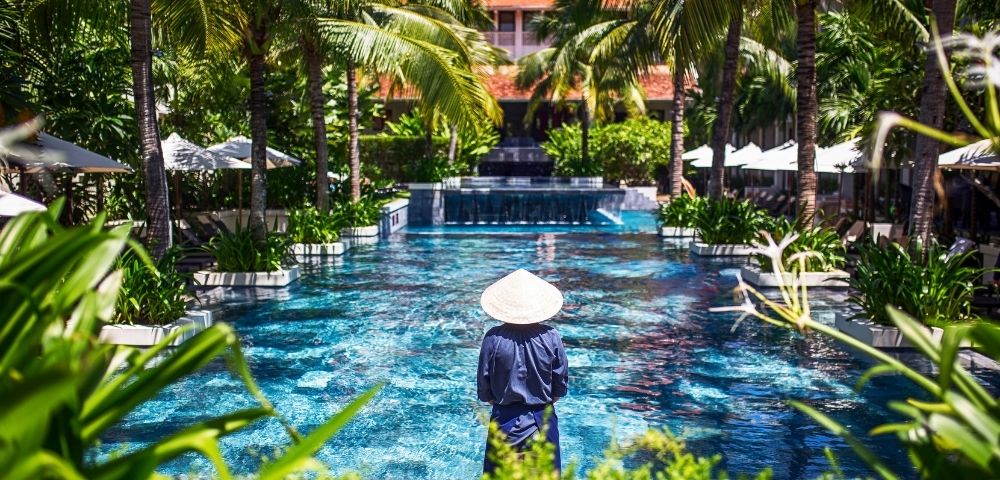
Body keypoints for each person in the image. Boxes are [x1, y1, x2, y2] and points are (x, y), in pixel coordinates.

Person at [477, 268, 569, 474]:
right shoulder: (552, 336)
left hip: (504, 424)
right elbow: (560, 386)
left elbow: (484, 390)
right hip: (542, 424)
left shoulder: (492, 338)